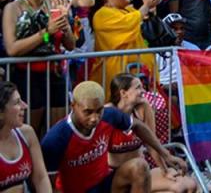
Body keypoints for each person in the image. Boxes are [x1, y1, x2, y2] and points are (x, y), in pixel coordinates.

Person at [42, 81, 186, 193]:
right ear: (73, 106)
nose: (94, 118)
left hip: (105, 184)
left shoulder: (109, 115)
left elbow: (138, 126)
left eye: (99, 111)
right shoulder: (57, 138)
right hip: (75, 190)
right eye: (88, 112)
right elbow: (46, 182)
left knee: (139, 166)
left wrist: (165, 154)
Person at [2, 0, 82, 132]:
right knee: (30, 130)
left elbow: (70, 45)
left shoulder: (51, 5)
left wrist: (65, 24)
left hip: (55, 75)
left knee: (57, 129)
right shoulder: (13, 8)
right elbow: (12, 48)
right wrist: (46, 32)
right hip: (28, 76)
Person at [106, 73, 198, 192]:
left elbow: (151, 143)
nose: (143, 91)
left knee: (190, 185)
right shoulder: (108, 113)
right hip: (117, 176)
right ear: (123, 93)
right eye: (138, 87)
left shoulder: (143, 107)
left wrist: (164, 170)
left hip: (141, 172)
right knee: (177, 188)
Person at [92, 0, 160, 89]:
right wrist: (146, 7)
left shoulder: (129, 10)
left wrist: (150, 12)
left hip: (140, 74)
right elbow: (129, 23)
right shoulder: (101, 15)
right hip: (117, 75)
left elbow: (141, 22)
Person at [0, 81, 50, 192]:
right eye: (17, 103)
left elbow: (41, 178)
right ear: (1, 112)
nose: (25, 106)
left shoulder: (27, 133)